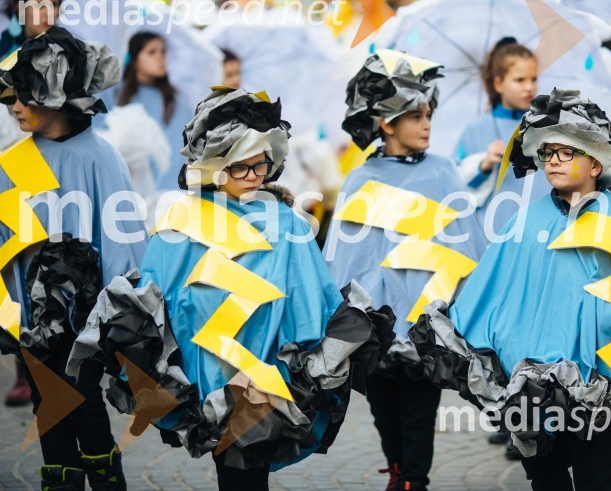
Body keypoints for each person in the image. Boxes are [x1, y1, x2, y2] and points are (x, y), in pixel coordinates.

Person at [70, 87, 393, 491]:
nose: (256, 176)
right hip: (207, 373)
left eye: (263, 165)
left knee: (246, 471)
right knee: (234, 469)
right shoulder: (180, 220)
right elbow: (158, 300)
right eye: (243, 167)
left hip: (265, 373)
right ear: (215, 165)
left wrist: (289, 367)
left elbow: (311, 302)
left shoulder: (286, 223)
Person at [410, 88, 611, 491]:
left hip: (602, 379)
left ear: (596, 162)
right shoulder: (524, 221)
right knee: (543, 471)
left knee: (597, 474)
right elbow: (494, 289)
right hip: (532, 382)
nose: (553, 160)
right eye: (548, 152)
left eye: (567, 152)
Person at [324, 49, 487, 491]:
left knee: (419, 409)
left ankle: (414, 479)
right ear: (387, 122)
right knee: (383, 409)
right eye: (416, 116)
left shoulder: (443, 172)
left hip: (424, 319)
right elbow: (347, 252)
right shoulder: (361, 178)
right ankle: (397, 467)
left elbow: (466, 242)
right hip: (376, 321)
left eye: (429, 114)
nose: (427, 124)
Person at [0, 27, 146, 490]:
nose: (14, 106)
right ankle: (62, 481)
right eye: (11, 97)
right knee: (50, 406)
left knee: (79, 401)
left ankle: (105, 479)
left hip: (87, 316)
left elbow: (122, 238)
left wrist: (123, 311)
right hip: (31, 316)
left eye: (24, 95)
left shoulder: (101, 158)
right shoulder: (11, 162)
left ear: (54, 95)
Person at [1, 0, 63, 406]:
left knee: (56, 262)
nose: (47, 14)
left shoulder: (68, 55)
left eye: (54, 4)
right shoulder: (5, 55)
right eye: (38, 5)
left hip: (54, 170)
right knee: (19, 268)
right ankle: (25, 364)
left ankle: (65, 354)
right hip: (13, 168)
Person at [454, 37, 545, 238]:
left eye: (534, 79)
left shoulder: (548, 126)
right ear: (498, 83)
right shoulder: (476, 129)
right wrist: (483, 165)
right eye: (520, 80)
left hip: (539, 234)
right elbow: (455, 186)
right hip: (491, 234)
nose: (529, 87)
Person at [116, 31, 191, 192]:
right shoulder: (115, 95)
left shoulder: (178, 102)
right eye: (151, 52)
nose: (160, 57)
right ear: (134, 59)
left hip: (172, 194)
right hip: (129, 191)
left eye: (163, 51)